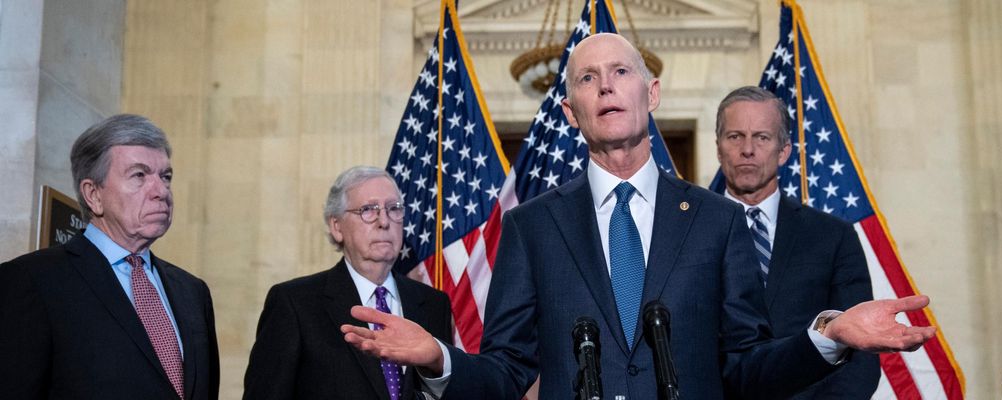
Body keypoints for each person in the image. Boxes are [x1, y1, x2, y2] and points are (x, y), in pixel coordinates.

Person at [341, 33, 935, 400]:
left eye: (621, 73)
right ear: (571, 111)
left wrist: (828, 335)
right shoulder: (532, 226)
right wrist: (439, 358)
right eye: (588, 79)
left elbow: (747, 371)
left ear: (651, 95)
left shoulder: (717, 221)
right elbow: (507, 371)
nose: (606, 87)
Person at [0, 114, 219, 399]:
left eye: (165, 177)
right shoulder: (32, 281)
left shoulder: (193, 291)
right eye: (139, 175)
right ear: (93, 194)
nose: (161, 191)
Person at [715, 86, 881, 399]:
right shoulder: (688, 230)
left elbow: (861, 354)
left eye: (762, 137)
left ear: (784, 151)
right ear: (719, 147)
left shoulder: (834, 236)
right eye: (735, 136)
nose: (747, 149)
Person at [243, 166, 454, 400]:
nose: (384, 221)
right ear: (337, 226)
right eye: (368, 210)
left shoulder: (435, 304)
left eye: (393, 208)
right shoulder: (294, 303)